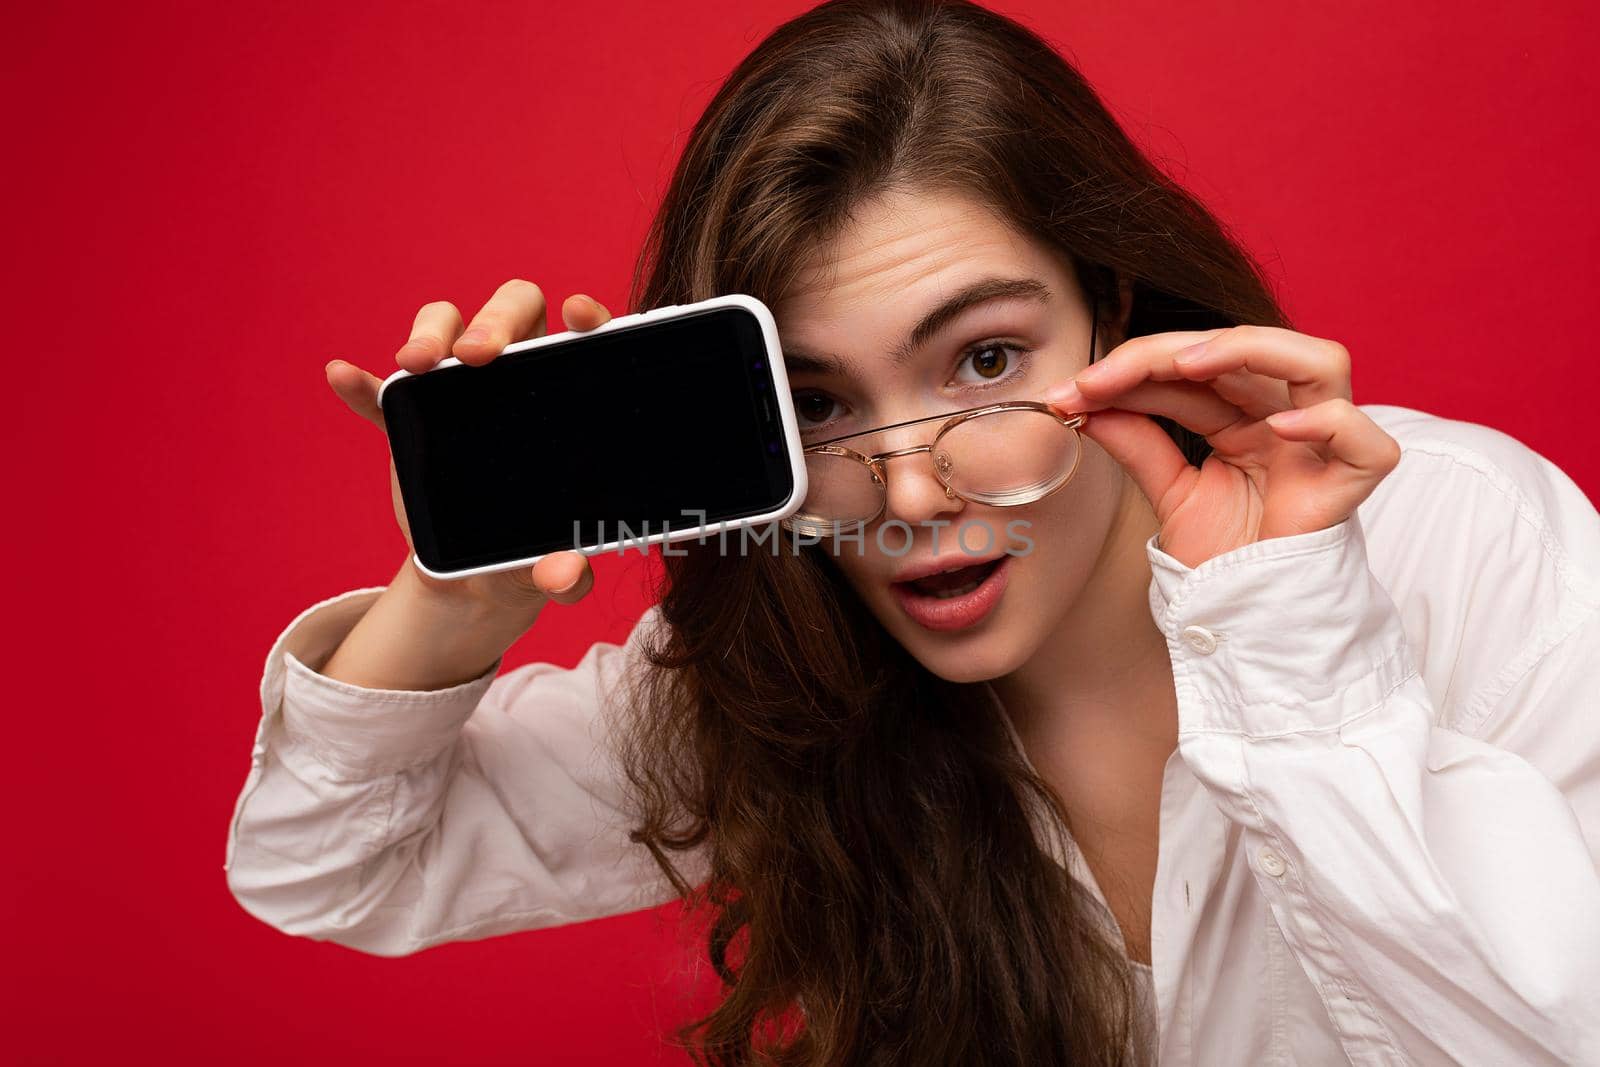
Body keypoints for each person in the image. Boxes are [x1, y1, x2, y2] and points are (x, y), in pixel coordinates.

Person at [222, 1, 1600, 1063]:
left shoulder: (1450, 536)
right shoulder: (773, 668)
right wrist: (458, 600)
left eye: (987, 361)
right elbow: (328, 867)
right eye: (817, 404)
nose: (912, 499)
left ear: (1113, 316)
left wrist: (1295, 642)